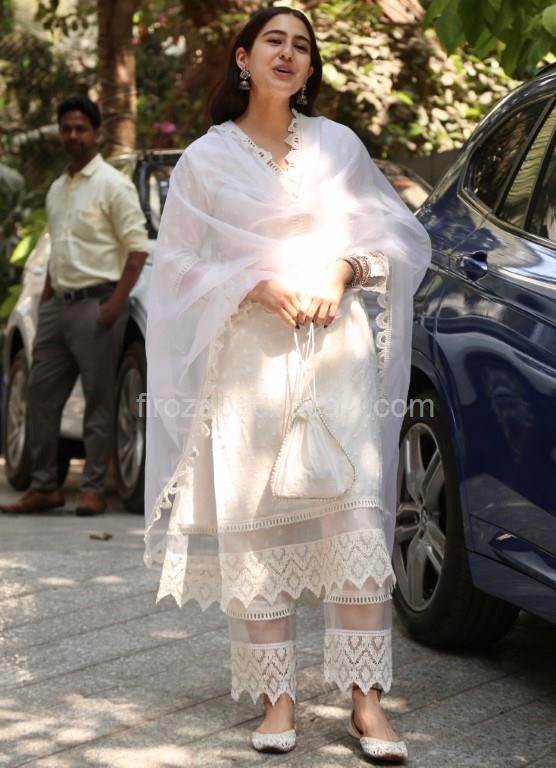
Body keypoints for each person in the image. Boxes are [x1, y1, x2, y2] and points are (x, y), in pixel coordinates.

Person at [143, 7, 431, 761]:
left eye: (301, 46)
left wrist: (343, 270)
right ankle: (278, 700)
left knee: (355, 520)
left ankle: (367, 702)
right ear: (243, 57)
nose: (288, 53)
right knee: (258, 523)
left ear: (309, 68)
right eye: (274, 40)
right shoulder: (206, 160)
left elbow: (397, 237)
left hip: (337, 356)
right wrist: (256, 283)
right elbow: (176, 267)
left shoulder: (339, 146)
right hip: (249, 365)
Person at [0, 97, 149, 517]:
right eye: (66, 128)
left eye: (81, 128)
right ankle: (44, 486)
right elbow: (59, 249)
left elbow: (137, 249)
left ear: (96, 133)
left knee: (99, 400)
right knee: (40, 393)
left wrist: (113, 306)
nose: (72, 135)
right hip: (58, 308)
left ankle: (93, 490)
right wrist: (48, 295)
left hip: (96, 306)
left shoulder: (112, 185)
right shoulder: (57, 189)